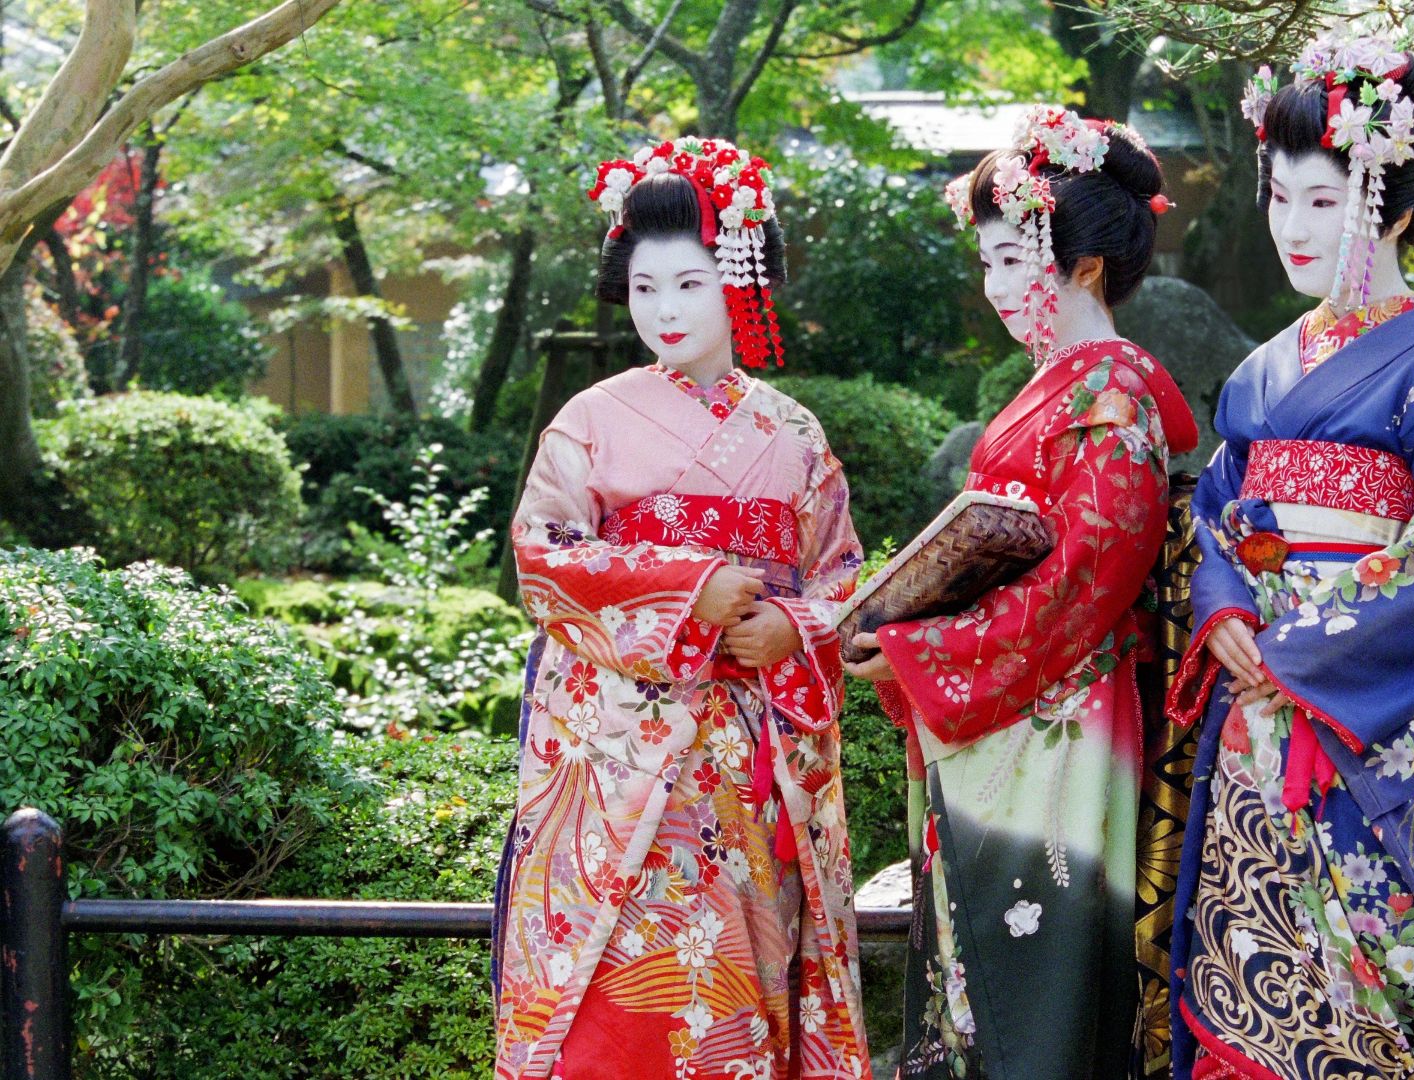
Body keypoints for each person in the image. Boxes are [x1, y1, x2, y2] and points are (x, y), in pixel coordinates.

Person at [1164, 31, 1414, 1079]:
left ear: (1395, 200)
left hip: (1379, 712)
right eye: (1280, 196)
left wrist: (1307, 647)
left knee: (1391, 969)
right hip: (1261, 710)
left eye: (1324, 201)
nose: (1292, 226)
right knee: (1256, 967)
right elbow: (1221, 512)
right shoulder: (1258, 375)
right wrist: (1229, 608)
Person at [491, 136, 871, 1080]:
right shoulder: (591, 418)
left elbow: (841, 574)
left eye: (691, 284)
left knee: (750, 978)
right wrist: (688, 588)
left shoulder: (793, 433)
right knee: (623, 1001)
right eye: (646, 287)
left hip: (753, 758)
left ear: (738, 281)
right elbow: (543, 560)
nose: (663, 310)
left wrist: (798, 627)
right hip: (626, 760)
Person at [845, 106, 1199, 1080]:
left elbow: (1086, 580)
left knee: (1038, 996)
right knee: (1001, 992)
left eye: (1014, 262)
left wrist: (922, 650)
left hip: (1062, 728)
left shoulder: (1112, 394)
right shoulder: (1068, 385)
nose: (997, 288)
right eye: (990, 264)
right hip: (1023, 714)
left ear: (1084, 268)